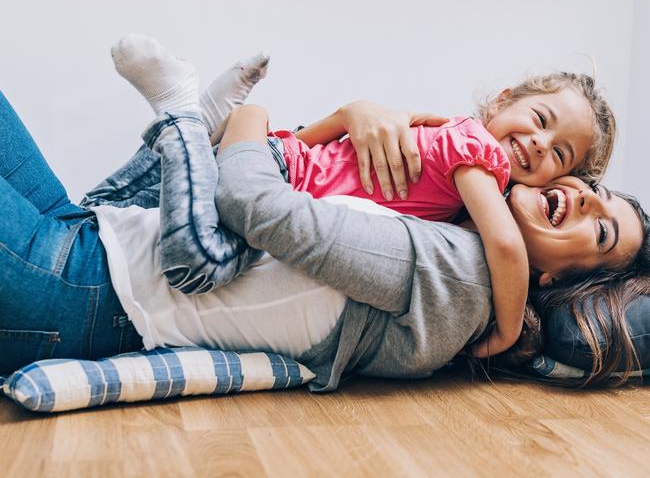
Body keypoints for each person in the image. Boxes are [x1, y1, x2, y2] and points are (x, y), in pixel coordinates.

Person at [0, 49, 647, 391]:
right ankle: (194, 121)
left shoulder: (464, 272)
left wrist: (249, 124)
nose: (579, 192)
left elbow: (255, 204)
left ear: (565, 281)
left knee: (205, 231)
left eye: (602, 228)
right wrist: (355, 112)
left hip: (76, 285)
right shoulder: (462, 194)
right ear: (505, 103)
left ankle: (189, 118)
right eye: (586, 185)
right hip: (87, 233)